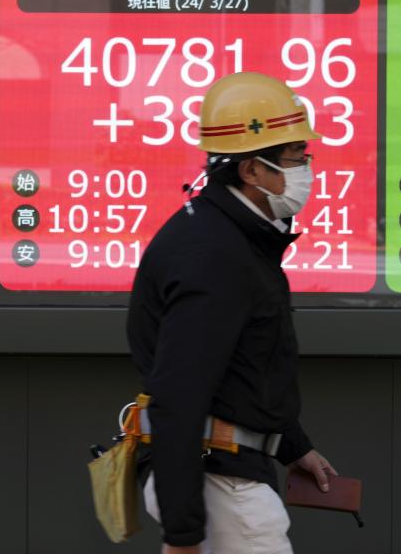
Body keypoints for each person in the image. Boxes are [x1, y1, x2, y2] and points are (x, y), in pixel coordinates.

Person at [127, 72, 337, 554]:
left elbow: (242, 368)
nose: (305, 168)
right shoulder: (215, 256)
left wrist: (291, 444)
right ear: (250, 170)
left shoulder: (229, 237)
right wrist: (184, 538)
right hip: (222, 491)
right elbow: (178, 397)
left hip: (227, 477)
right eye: (295, 157)